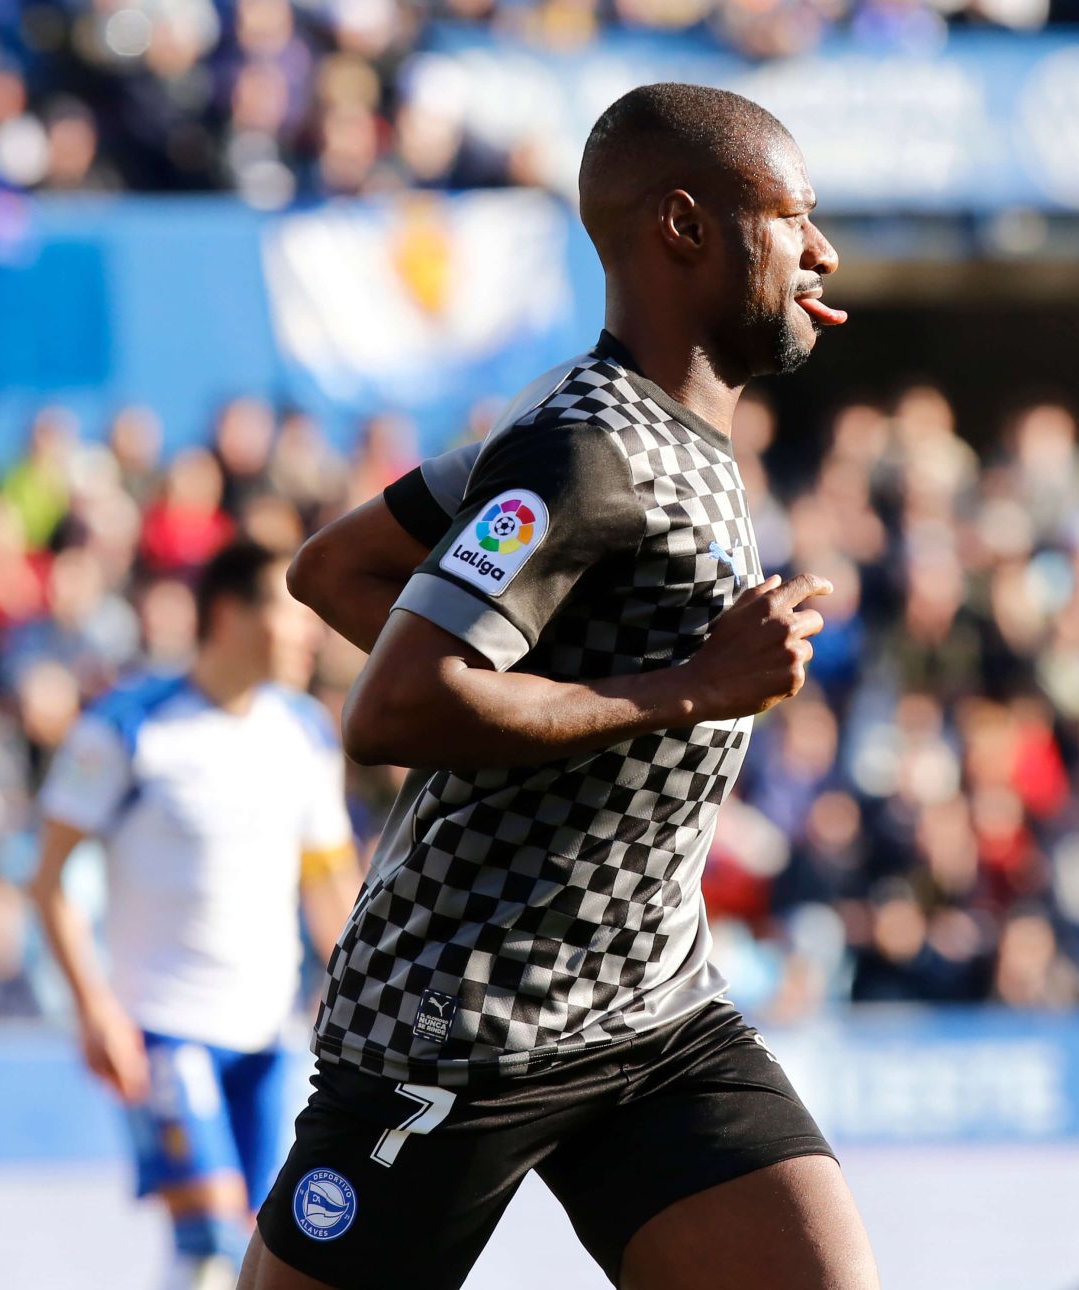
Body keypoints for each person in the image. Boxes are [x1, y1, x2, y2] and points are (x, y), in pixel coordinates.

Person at [240, 83, 878, 1290]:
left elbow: (338, 568)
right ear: (684, 226)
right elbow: (395, 707)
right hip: (463, 1019)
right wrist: (688, 686)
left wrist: (565, 682)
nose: (821, 250)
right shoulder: (586, 448)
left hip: (650, 1012)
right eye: (791, 216)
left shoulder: (602, 419)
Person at [27, 539, 359, 1290]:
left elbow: (328, 882)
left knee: (266, 1252)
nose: (310, 632)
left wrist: (357, 1000)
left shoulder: (304, 732)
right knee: (209, 1239)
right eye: (292, 612)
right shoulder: (129, 727)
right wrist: (95, 1009)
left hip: (268, 1034)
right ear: (230, 614)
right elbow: (48, 882)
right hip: (164, 1028)